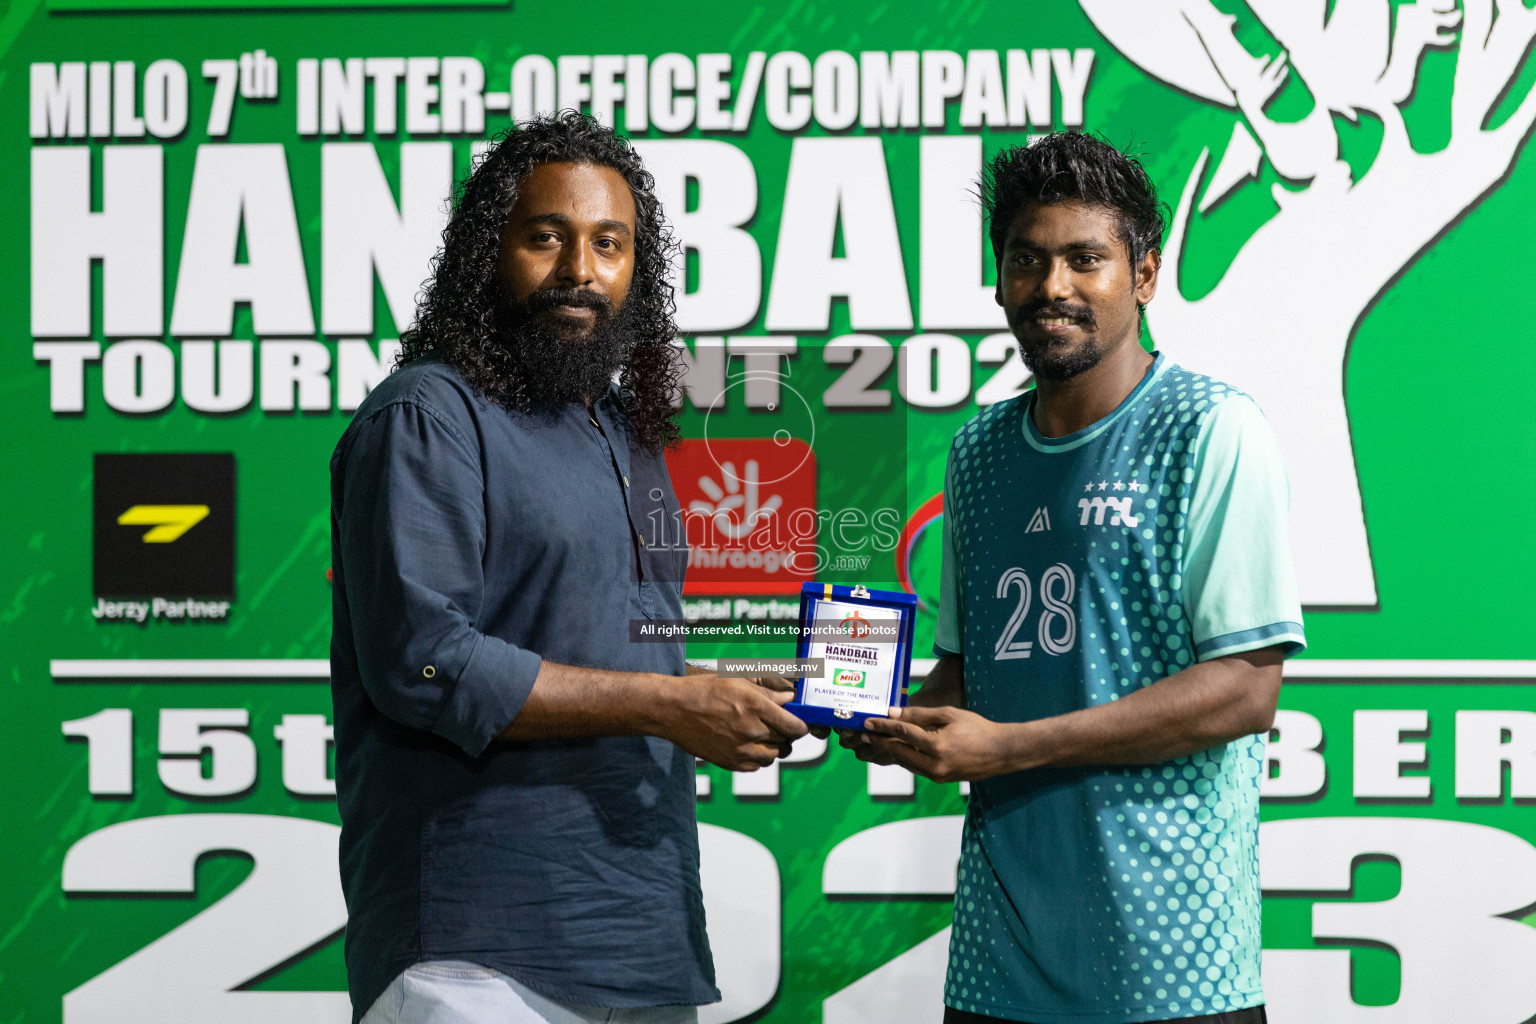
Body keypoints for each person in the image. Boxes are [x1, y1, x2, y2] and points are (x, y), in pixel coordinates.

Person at [329, 111, 807, 1024]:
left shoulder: (626, 430)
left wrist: (713, 691)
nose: (580, 270)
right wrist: (674, 704)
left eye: (609, 243)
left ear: (641, 267)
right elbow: (424, 662)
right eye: (545, 237)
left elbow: (598, 657)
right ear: (487, 254)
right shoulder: (426, 414)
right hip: (476, 948)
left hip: (641, 935)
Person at [843, 132, 1305, 1024]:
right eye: (1027, 259)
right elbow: (970, 677)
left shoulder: (1211, 430)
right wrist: (855, 707)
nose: (1051, 286)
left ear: (1143, 275)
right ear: (1000, 279)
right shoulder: (978, 449)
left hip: (1173, 963)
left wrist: (1007, 748)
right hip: (999, 960)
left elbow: (1242, 692)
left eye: (1084, 259)